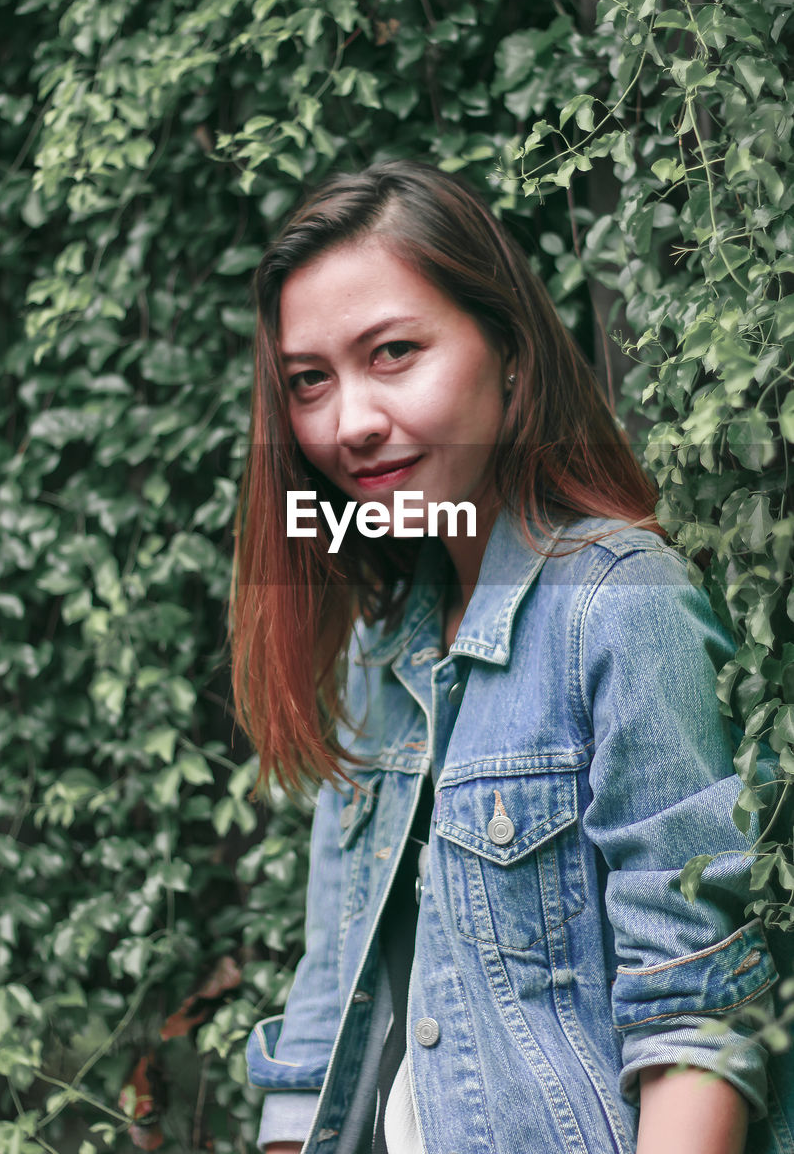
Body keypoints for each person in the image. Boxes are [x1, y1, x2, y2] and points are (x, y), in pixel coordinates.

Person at [231, 160, 792, 1154]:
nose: (349, 420)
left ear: (510, 354)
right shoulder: (378, 645)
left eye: (394, 351)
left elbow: (695, 1016)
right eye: (308, 380)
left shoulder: (620, 603)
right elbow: (321, 1020)